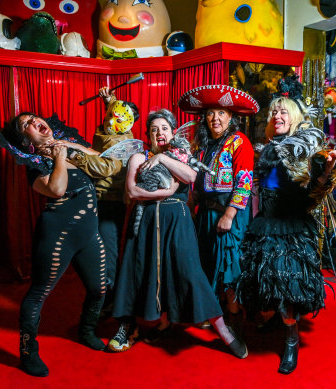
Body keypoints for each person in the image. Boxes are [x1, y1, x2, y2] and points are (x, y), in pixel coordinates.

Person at [106, 108, 247, 359]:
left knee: (191, 274)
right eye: (154, 129)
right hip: (145, 223)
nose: (159, 132)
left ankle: (224, 332)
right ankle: (129, 326)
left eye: (164, 128)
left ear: (172, 133)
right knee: (136, 273)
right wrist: (166, 191)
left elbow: (191, 175)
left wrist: (162, 160)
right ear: (148, 136)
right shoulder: (138, 158)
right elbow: (131, 193)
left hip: (177, 221)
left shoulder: (182, 156)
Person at [235, 87, 336, 375]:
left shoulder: (305, 148)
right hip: (265, 221)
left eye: (283, 110)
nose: (277, 115)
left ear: (296, 117)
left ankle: (290, 342)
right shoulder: (265, 150)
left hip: (291, 225)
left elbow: (314, 189)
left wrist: (327, 168)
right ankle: (277, 318)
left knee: (288, 284)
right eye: (274, 111)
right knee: (266, 278)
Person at [0, 112, 121, 377]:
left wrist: (67, 146)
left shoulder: (67, 150)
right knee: (38, 293)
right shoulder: (35, 163)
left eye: (34, 118)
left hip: (89, 233)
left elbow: (100, 159)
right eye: (26, 124)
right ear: (25, 139)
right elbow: (56, 189)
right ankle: (28, 351)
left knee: (100, 288)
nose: (33, 122)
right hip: (58, 235)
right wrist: (59, 157)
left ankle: (86, 330)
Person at [178, 85, 259, 331]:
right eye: (211, 113)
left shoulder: (239, 142)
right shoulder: (202, 147)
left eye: (221, 113)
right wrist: (192, 204)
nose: (216, 118)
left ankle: (232, 318)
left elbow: (244, 182)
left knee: (229, 263)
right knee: (208, 261)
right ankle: (212, 310)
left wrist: (229, 215)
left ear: (231, 117)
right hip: (206, 212)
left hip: (228, 213)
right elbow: (197, 181)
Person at [93, 86, 138, 309]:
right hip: (102, 200)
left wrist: (76, 156)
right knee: (102, 252)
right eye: (111, 113)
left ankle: (110, 300)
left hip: (109, 202)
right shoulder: (113, 133)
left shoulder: (122, 141)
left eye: (119, 116)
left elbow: (103, 168)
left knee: (107, 254)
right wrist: (109, 100)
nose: (111, 120)